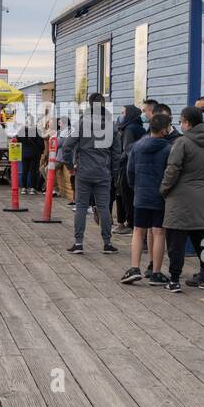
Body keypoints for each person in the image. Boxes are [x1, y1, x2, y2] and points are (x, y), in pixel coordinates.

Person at [160, 105, 204, 292]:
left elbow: (172, 169)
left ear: (187, 122)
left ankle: (174, 279)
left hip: (179, 198)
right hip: (202, 196)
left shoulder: (182, 142)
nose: (180, 125)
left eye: (181, 121)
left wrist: (164, 189)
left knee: (176, 241)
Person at [60, 93, 117, 255]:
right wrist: (113, 171)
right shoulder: (111, 125)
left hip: (84, 171)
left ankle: (78, 243)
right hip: (103, 172)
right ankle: (107, 243)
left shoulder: (81, 124)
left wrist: (70, 166)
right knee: (104, 208)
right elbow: (117, 152)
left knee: (81, 207)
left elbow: (66, 147)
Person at [120, 113, 172, 284]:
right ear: (165, 130)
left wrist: (136, 187)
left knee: (138, 231)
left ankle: (134, 268)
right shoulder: (168, 149)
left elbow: (130, 172)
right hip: (160, 197)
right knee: (158, 232)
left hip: (141, 194)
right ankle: (156, 272)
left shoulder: (137, 146)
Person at [112, 104, 146, 230]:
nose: (121, 116)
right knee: (121, 194)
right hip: (126, 165)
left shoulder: (130, 129)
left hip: (126, 166)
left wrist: (117, 161)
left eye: (123, 113)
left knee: (125, 195)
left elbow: (127, 149)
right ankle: (123, 222)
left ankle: (128, 223)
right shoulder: (132, 127)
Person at [19, 116, 44, 193]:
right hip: (35, 153)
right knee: (33, 171)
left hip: (24, 153)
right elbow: (41, 143)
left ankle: (24, 188)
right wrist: (41, 151)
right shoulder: (37, 130)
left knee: (24, 171)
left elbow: (18, 141)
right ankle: (33, 188)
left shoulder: (22, 131)